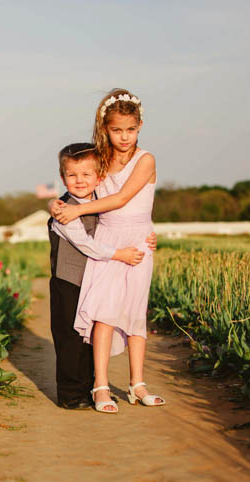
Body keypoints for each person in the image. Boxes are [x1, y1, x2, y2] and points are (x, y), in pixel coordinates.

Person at [53, 89, 166, 413]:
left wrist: (73, 213)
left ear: (140, 126)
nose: (124, 136)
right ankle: (101, 387)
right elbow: (75, 187)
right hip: (107, 239)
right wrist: (56, 205)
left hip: (139, 239)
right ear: (105, 128)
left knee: (134, 312)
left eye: (130, 129)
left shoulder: (146, 160)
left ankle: (137, 384)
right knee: (103, 312)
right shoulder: (100, 160)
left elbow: (121, 199)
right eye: (117, 130)